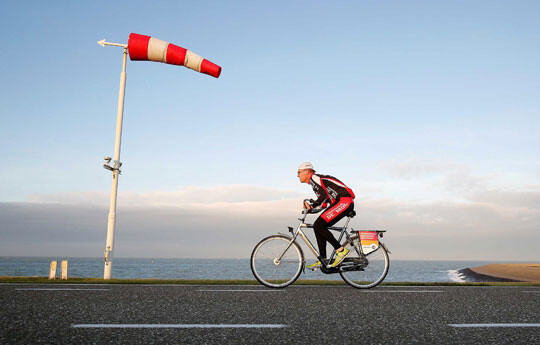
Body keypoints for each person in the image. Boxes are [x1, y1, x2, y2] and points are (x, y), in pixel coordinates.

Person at [297, 162, 355, 269]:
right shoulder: (315, 184)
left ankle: (341, 250)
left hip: (343, 201)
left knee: (319, 225)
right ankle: (323, 259)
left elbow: (322, 196)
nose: (297, 175)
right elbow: (323, 203)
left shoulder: (315, 178)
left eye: (299, 172)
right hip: (341, 202)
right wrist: (310, 210)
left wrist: (312, 204)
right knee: (317, 227)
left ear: (307, 171)